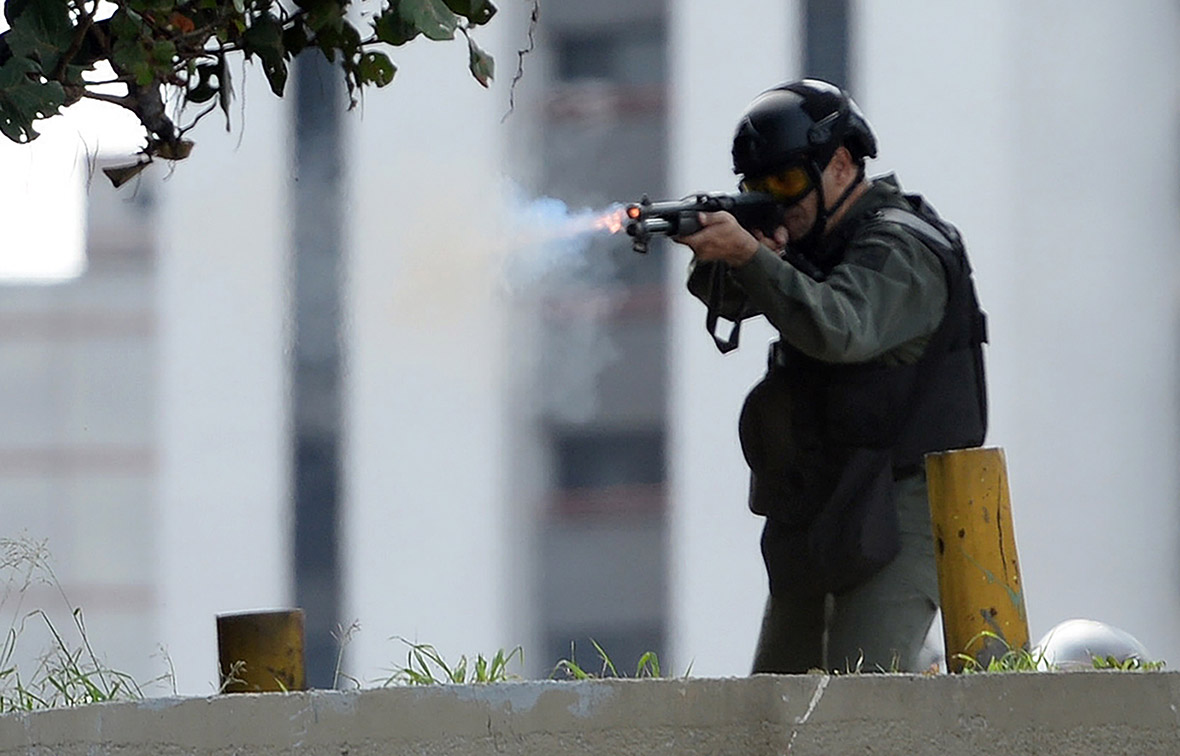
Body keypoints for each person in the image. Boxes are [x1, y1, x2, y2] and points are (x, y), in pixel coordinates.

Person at [676, 79, 988, 674]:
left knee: (858, 699)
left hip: (899, 503)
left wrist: (752, 255)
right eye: (757, 188)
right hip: (818, 498)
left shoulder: (901, 246)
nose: (776, 200)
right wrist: (728, 252)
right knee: (773, 703)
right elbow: (736, 302)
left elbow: (840, 328)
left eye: (788, 182)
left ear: (841, 164)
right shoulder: (814, 240)